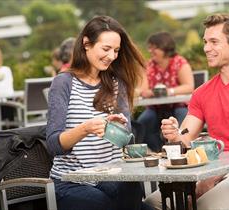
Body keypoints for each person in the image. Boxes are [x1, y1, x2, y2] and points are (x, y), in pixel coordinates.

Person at [145, 13, 229, 210]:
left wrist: (210, 178)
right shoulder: (202, 92)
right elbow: (185, 138)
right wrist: (174, 134)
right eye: (205, 42)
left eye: (213, 42)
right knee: (154, 204)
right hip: (213, 167)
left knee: (205, 205)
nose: (206, 48)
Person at [46, 16, 151, 210]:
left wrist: (117, 128)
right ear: (86, 43)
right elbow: (53, 145)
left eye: (116, 51)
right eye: (106, 49)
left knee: (133, 190)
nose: (112, 56)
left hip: (112, 175)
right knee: (101, 204)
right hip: (72, 181)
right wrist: (85, 129)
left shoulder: (116, 82)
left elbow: (126, 140)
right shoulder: (64, 83)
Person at [136, 32, 194, 152]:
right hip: (155, 108)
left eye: (154, 47)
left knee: (183, 120)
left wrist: (169, 91)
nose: (150, 50)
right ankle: (159, 150)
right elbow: (143, 89)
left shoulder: (180, 63)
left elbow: (189, 87)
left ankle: (183, 150)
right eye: (150, 47)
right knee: (143, 123)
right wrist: (146, 92)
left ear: (165, 47)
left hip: (179, 105)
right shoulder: (149, 65)